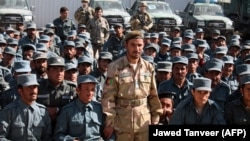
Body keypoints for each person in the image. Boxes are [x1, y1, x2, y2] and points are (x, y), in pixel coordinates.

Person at [101, 30, 162, 141]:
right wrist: (109, 123)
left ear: (143, 46)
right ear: (126, 45)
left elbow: (153, 94)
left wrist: (156, 117)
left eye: (139, 45)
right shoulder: (115, 67)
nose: (136, 49)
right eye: (133, 45)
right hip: (122, 121)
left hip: (143, 120)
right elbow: (108, 96)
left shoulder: (149, 67)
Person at [54, 75, 114, 141]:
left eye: (92, 90)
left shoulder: (100, 109)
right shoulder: (67, 110)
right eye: (86, 89)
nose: (90, 93)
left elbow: (110, 134)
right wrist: (70, 140)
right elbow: (58, 135)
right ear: (78, 90)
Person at [0, 74, 52, 140]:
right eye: (29, 87)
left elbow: (47, 137)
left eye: (35, 87)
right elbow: (1, 137)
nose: (33, 91)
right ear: (20, 90)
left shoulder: (43, 111)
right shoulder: (8, 111)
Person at [36, 56, 77, 131]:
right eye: (55, 70)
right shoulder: (39, 87)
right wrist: (45, 111)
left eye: (61, 70)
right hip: (41, 125)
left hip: (65, 127)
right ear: (47, 71)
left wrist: (57, 110)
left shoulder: (72, 88)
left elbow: (76, 107)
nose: (59, 73)